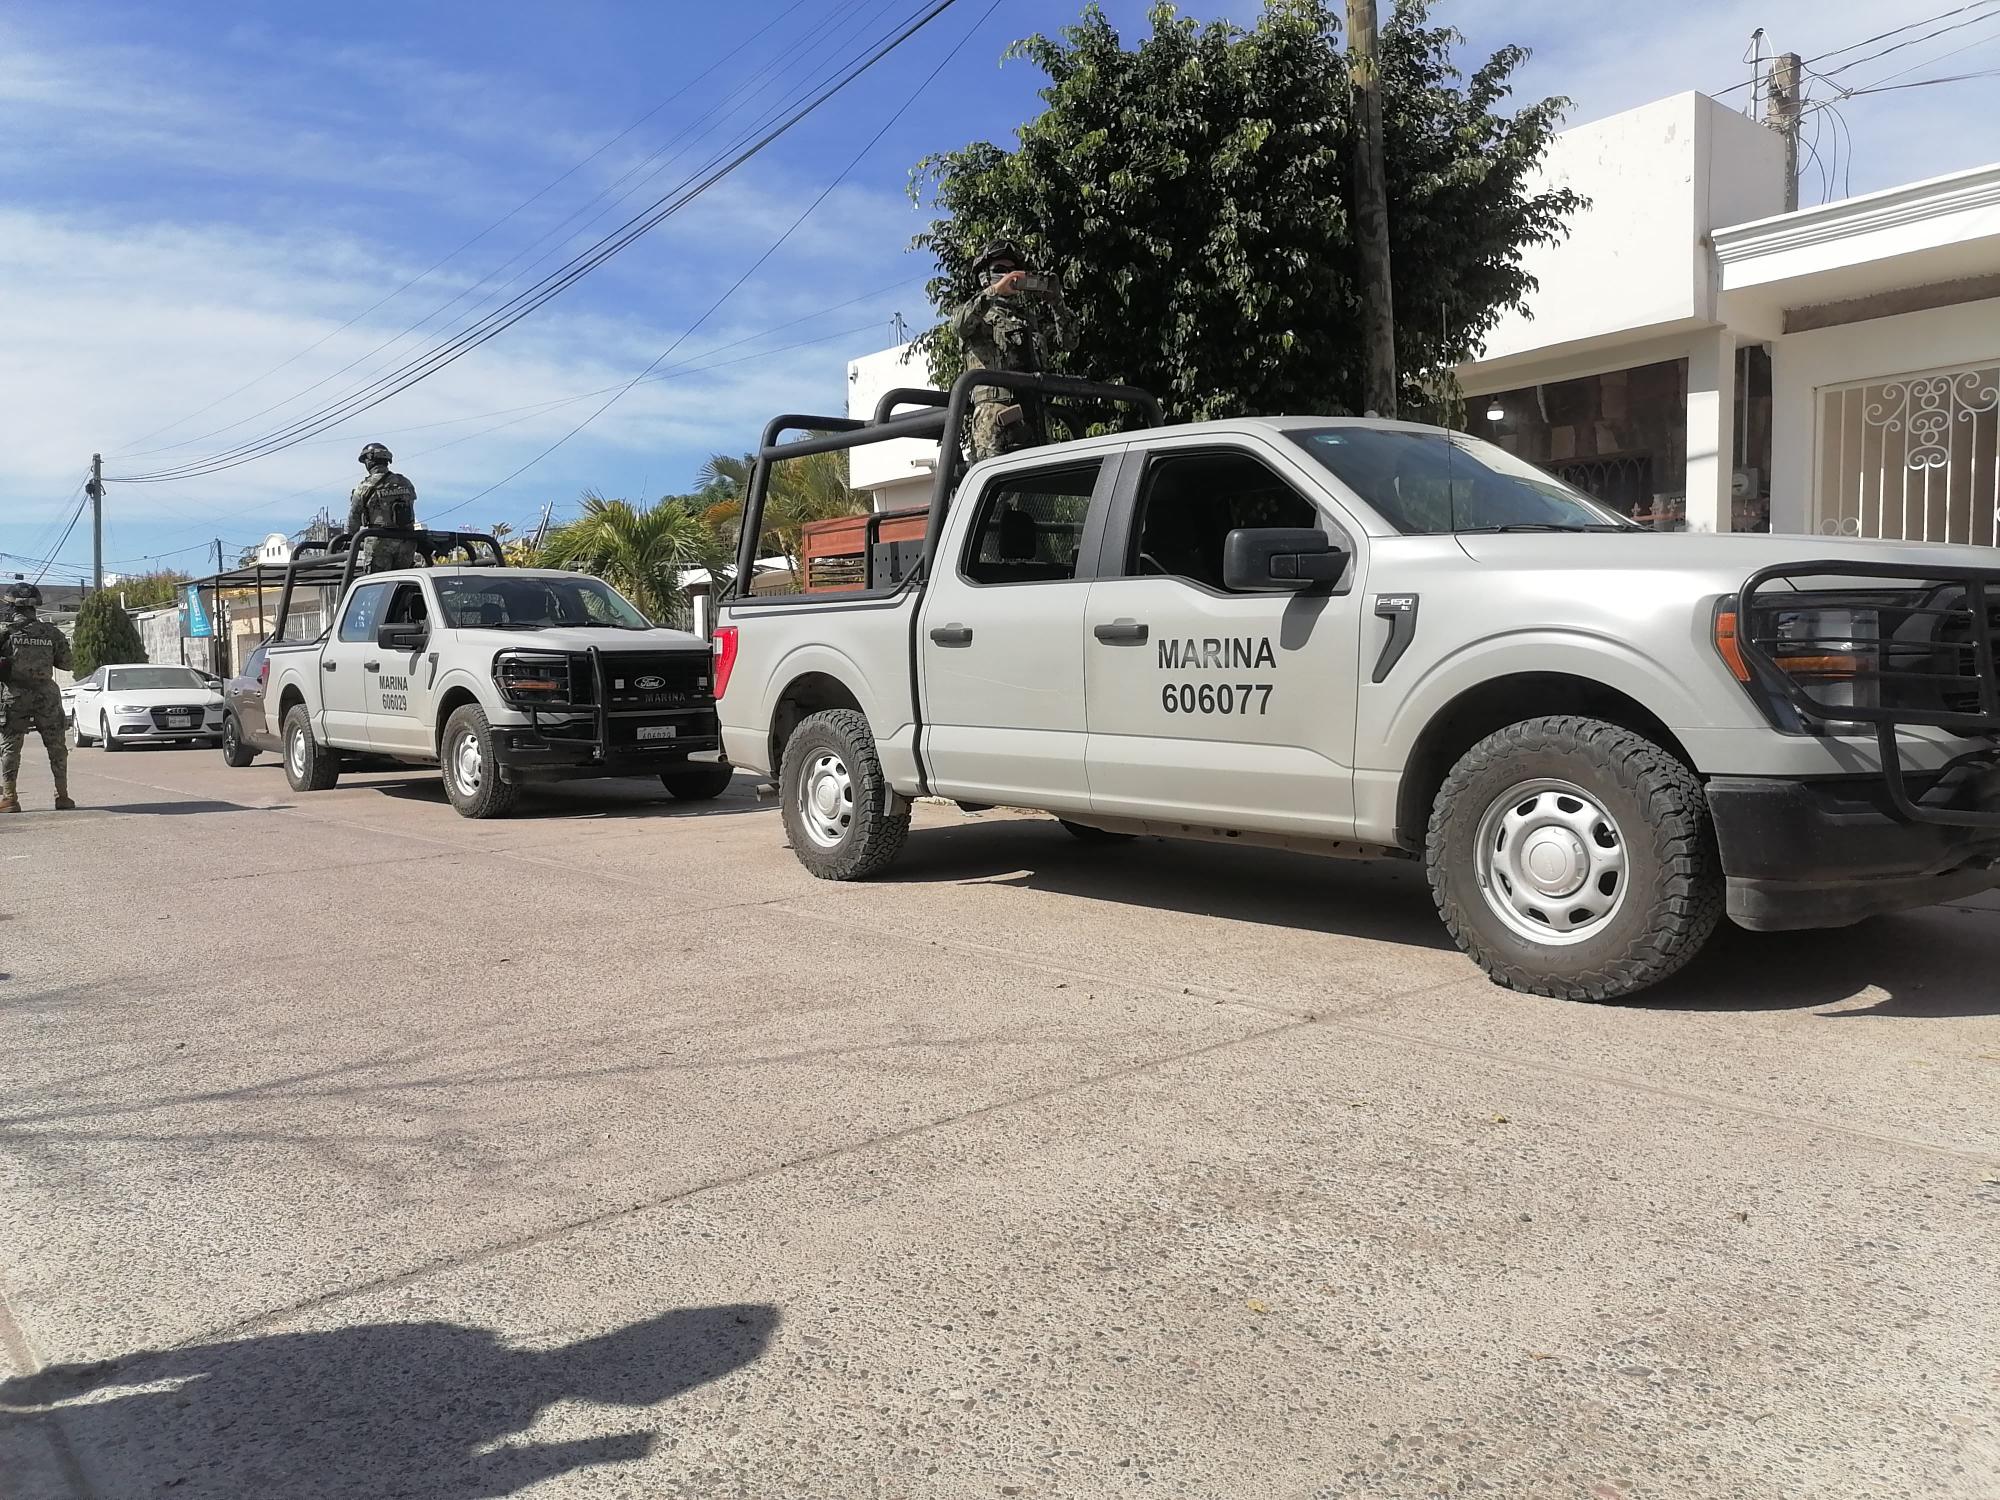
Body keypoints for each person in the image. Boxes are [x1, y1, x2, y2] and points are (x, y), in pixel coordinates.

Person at [951, 240, 1074, 461]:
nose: (1008, 275)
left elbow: (1069, 343)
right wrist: (996, 290)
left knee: (1043, 489)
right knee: (999, 492)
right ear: (984, 277)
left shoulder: (1029, 319)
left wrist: (1057, 302)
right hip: (995, 423)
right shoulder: (977, 314)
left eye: (1012, 270)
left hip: (1035, 417)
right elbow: (960, 324)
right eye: (1000, 270)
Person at [0, 581, 75, 812]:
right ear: (36, 606)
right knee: (56, 746)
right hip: (46, 695)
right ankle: (62, 796)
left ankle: (10, 798)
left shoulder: (4, 632)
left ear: (11, 607)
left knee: (10, 746)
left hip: (14, 695)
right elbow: (67, 663)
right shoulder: (51, 632)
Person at [346, 442, 420, 572]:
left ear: (369, 462)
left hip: (379, 543)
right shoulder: (405, 482)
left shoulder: (365, 487)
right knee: (403, 584)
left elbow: (354, 518)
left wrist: (348, 541)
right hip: (406, 542)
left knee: (377, 586)